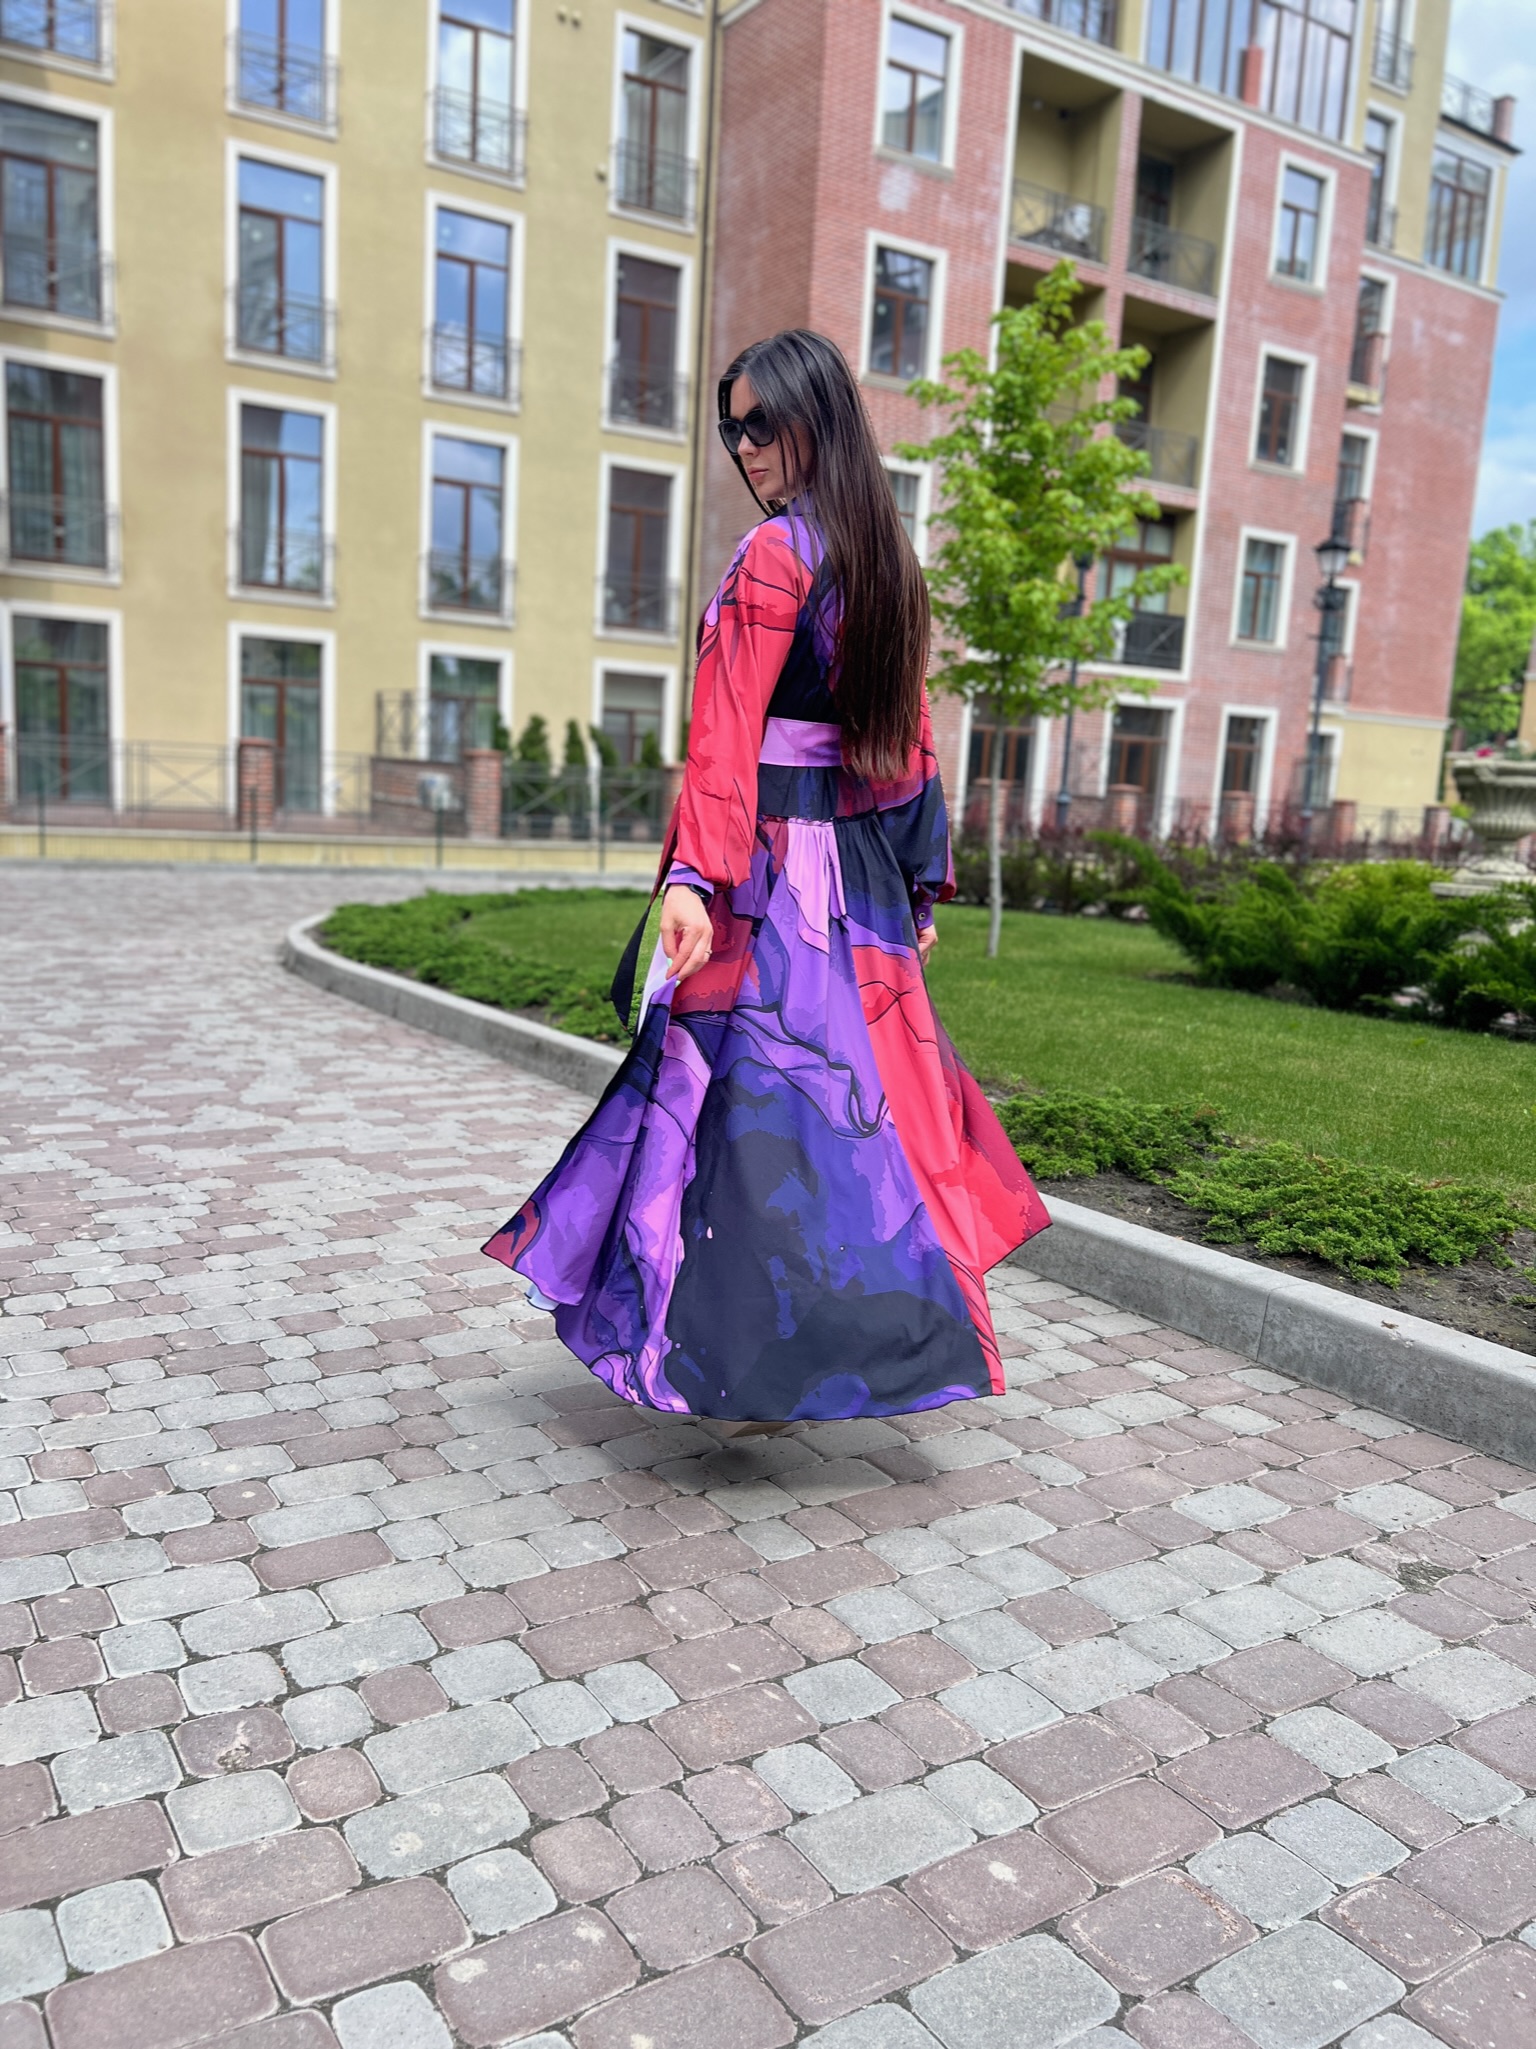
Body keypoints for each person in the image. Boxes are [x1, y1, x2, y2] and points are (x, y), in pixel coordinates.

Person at [484, 328, 1049, 1431]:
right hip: (856, 889)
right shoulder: (886, 562)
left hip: (769, 876)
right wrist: (916, 887)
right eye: (730, 426)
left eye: (760, 423)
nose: (743, 446)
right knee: (849, 1117)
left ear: (816, 419)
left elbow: (728, 734)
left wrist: (695, 876)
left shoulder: (777, 554)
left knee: (738, 1112)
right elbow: (909, 751)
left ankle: (731, 1353)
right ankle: (808, 1347)